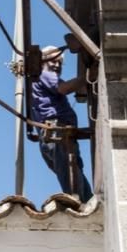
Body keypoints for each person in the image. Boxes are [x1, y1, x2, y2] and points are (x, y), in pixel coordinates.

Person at [31, 45, 93, 202]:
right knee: (69, 168)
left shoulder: (38, 81)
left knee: (71, 169)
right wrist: (87, 76)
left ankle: (87, 200)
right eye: (53, 61)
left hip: (52, 134)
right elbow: (64, 88)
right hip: (57, 131)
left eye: (60, 62)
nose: (57, 65)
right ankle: (80, 202)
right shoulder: (45, 75)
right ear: (42, 62)